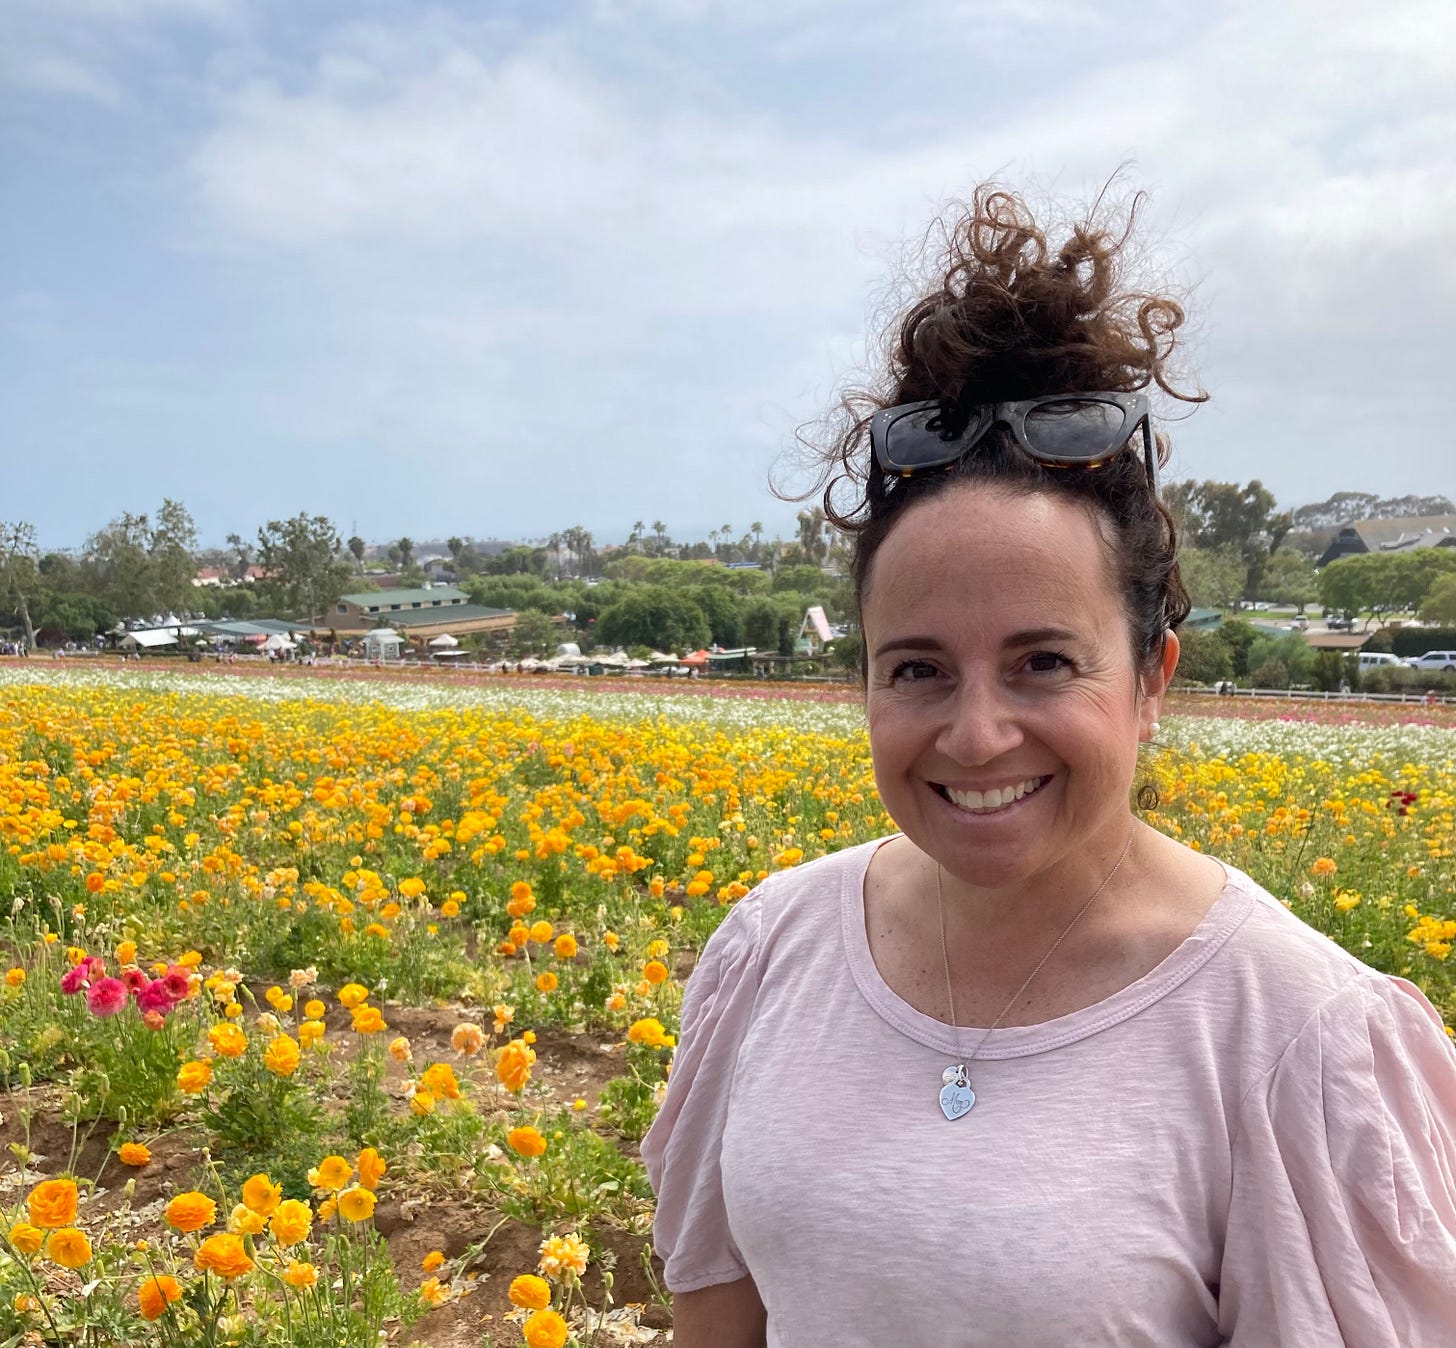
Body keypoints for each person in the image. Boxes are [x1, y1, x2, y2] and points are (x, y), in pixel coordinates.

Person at [641, 186, 1456, 1347]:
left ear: (1152, 680)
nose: (975, 736)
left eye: (1041, 662)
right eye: (916, 669)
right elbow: (715, 1317)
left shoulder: (1291, 1039)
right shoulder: (775, 950)